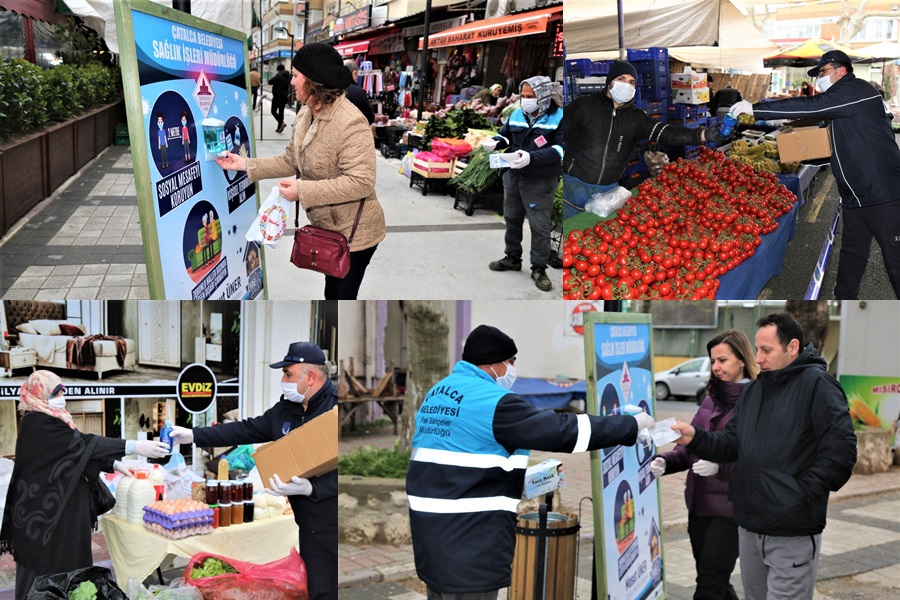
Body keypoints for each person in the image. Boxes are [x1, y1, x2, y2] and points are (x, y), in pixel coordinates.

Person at [407, 325, 655, 599]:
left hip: (433, 537)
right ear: (494, 363)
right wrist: (629, 425)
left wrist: (518, 480)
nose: (512, 369)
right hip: (469, 542)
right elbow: (563, 430)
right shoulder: (494, 401)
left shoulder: (438, 392)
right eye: (511, 362)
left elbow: (460, 455)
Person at [670, 313, 857, 600]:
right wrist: (694, 437)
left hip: (791, 528)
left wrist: (799, 494)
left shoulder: (819, 385)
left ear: (792, 347)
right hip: (749, 525)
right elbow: (730, 443)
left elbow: (841, 452)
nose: (758, 358)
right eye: (757, 349)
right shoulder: (755, 390)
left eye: (766, 350)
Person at [215, 43, 386, 299]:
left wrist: (302, 190)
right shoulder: (306, 114)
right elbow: (290, 159)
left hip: (356, 235)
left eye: (296, 76)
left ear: (314, 81)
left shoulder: (351, 122)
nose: (292, 82)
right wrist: (245, 164)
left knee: (338, 297)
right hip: (330, 229)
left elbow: (361, 182)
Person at [169, 342, 337, 600]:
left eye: (288, 374)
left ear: (310, 377)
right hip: (308, 526)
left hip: (335, 521)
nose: (283, 380)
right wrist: (193, 435)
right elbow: (244, 429)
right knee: (318, 590)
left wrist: (313, 487)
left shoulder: (335, 409)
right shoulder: (286, 410)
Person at [728, 49, 900, 299]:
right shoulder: (843, 105)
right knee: (852, 256)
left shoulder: (856, 90)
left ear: (841, 71)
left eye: (823, 72)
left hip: (883, 195)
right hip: (855, 196)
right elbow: (836, 145)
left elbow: (812, 106)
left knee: (896, 261)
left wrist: (756, 109)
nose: (819, 78)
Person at [0, 371, 168, 600]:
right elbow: (82, 444)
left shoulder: (54, 418)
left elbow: (76, 451)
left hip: (62, 515)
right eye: (56, 392)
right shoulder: (37, 423)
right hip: (46, 520)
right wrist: (133, 446)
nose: (63, 397)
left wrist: (114, 463)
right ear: (40, 394)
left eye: (62, 391)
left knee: (70, 571)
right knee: (46, 575)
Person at [650, 330, 759, 600]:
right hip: (699, 506)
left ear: (742, 360)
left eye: (723, 360)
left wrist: (720, 467)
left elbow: (758, 457)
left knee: (709, 586)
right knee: (716, 581)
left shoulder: (756, 400)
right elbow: (690, 444)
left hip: (731, 511)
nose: (716, 367)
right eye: (713, 361)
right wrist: (666, 461)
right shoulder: (711, 399)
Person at [561, 60, 736, 220]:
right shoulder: (583, 106)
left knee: (595, 238)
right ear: (610, 81)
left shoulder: (636, 117)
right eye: (621, 79)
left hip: (609, 191)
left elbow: (665, 132)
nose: (626, 85)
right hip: (575, 186)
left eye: (631, 82)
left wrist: (703, 135)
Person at [481, 76, 563, 292]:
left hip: (540, 180)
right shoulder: (518, 114)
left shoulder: (559, 118)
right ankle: (512, 258)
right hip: (514, 176)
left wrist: (532, 158)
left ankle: (539, 268)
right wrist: (495, 142)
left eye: (531, 97)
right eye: (524, 96)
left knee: (539, 225)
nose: (526, 101)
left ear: (543, 96)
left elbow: (561, 150)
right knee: (512, 217)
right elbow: (507, 136)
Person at [342, 59, 376, 125]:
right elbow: (370, 117)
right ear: (354, 73)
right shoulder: (358, 92)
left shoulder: (333, 89)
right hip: (354, 130)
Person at [269, 64, 293, 133]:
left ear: (278, 69)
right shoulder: (289, 76)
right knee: (281, 111)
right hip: (285, 96)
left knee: (273, 111)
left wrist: (275, 76)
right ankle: (279, 128)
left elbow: (270, 82)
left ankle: (281, 122)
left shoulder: (278, 75)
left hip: (277, 96)